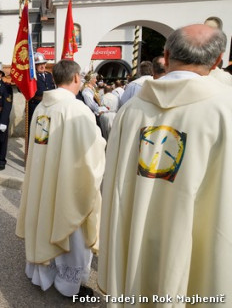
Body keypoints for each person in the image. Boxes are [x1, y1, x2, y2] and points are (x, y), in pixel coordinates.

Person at [99, 24, 231, 301]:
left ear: (167, 55)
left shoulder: (130, 111)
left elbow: (113, 185)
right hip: (195, 244)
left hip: (136, 237)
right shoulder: (225, 109)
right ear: (218, 60)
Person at [16, 59, 106, 297]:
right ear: (76, 77)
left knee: (44, 222)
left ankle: (41, 273)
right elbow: (90, 153)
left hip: (44, 180)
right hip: (66, 183)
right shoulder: (77, 109)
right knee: (71, 231)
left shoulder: (41, 108)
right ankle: (68, 286)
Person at [28, 52, 55, 126]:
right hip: (36, 104)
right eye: (39, 64)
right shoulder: (32, 77)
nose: (42, 66)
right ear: (35, 66)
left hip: (48, 104)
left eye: (43, 64)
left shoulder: (49, 75)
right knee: (36, 126)